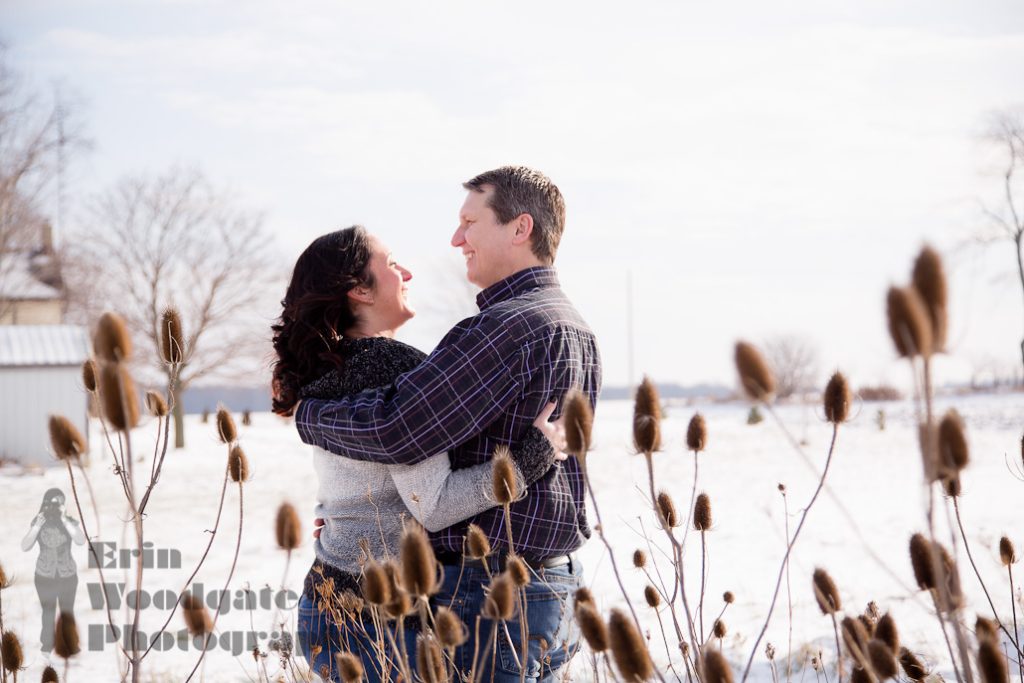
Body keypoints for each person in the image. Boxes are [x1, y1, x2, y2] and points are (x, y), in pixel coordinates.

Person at [295, 166, 602, 682]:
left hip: (495, 596)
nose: (457, 238)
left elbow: (395, 432)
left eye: (469, 222)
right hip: (554, 583)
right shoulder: (574, 325)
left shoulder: (501, 330)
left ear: (520, 228)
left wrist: (309, 415)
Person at [21, 487, 84, 653]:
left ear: (63, 505)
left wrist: (64, 520)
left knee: (67, 611)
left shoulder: (69, 521)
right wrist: (36, 527)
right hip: (44, 575)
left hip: (67, 575)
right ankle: (47, 644)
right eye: (48, 503)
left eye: (56, 504)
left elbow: (80, 540)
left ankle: (70, 643)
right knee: (47, 611)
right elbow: (25, 546)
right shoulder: (38, 521)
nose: (51, 508)